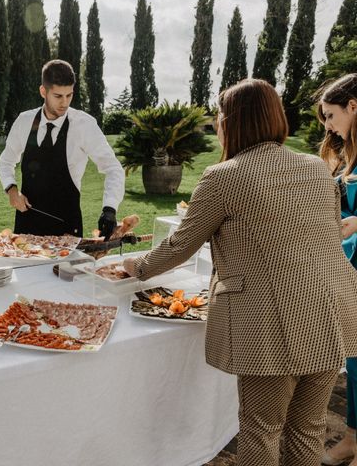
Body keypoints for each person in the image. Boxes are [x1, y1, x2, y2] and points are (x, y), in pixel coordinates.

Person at [123, 79, 357, 466]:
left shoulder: (224, 176)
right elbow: (329, 234)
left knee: (261, 429)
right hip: (333, 314)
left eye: (219, 117)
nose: (216, 125)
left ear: (232, 122)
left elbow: (181, 245)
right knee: (308, 429)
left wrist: (138, 266)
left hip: (271, 324)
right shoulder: (316, 166)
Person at [0, 59, 125, 237]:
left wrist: (109, 209)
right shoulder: (24, 121)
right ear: (43, 91)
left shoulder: (84, 125)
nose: (64, 103)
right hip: (25, 229)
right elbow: (6, 161)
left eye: (69, 95)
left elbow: (113, 168)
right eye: (58, 96)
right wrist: (11, 190)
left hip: (67, 231)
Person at [317, 73, 357, 466]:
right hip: (349, 264)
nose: (328, 126)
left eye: (330, 116)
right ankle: (351, 439)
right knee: (356, 359)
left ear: (353, 107)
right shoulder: (349, 152)